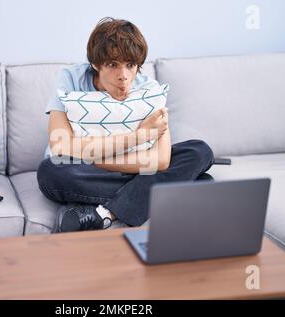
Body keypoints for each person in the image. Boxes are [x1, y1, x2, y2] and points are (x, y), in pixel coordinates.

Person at [37, 17, 214, 233]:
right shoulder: (71, 79)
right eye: (113, 65)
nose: (123, 76)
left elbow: (161, 160)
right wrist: (137, 138)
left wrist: (94, 156)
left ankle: (105, 214)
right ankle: (162, 189)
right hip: (98, 170)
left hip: (119, 166)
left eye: (130, 65)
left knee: (199, 151)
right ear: (95, 63)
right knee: (51, 170)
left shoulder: (149, 89)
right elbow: (60, 147)